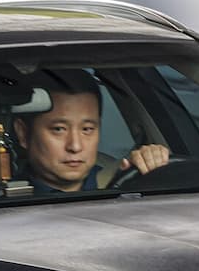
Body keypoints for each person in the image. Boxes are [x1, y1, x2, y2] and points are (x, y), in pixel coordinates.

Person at [12, 69, 170, 192]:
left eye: (87, 129)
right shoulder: (0, 210)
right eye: (59, 129)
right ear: (23, 134)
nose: (75, 146)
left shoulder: (128, 184)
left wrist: (156, 165)